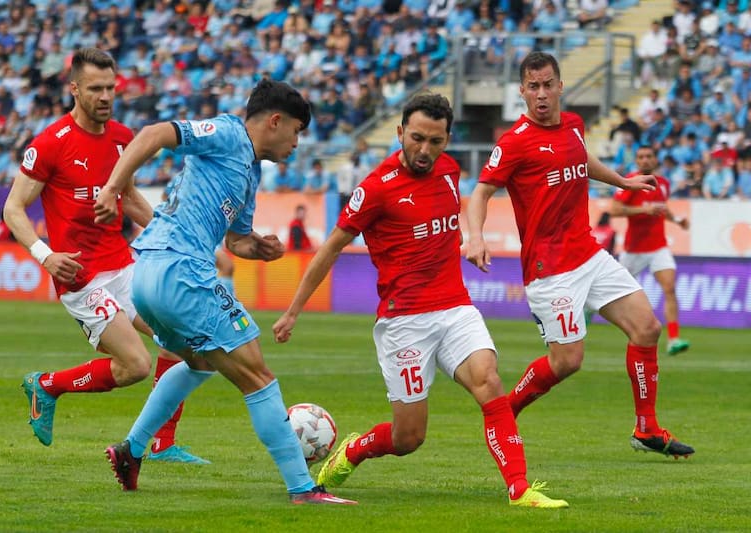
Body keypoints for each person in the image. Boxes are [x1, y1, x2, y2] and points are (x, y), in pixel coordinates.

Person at [272, 93, 569, 509]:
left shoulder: (449, 171)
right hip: (404, 322)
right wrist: (293, 310)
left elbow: (453, 214)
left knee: (490, 383)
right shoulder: (376, 188)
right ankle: (354, 451)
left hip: (455, 307)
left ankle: (520, 488)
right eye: (416, 139)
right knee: (408, 437)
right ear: (399, 134)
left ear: (448, 140)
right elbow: (331, 248)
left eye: (435, 141)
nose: (425, 150)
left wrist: (473, 238)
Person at [93, 79, 355, 505]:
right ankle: (303, 488)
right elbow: (156, 134)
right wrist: (112, 187)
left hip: (148, 276)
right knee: (258, 377)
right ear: (275, 121)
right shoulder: (229, 133)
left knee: (198, 363)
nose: (296, 142)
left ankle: (131, 450)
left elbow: (236, 242)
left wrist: (260, 249)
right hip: (181, 270)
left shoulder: (249, 173)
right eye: (296, 131)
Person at [466, 52, 694, 459]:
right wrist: (476, 237)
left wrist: (621, 180)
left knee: (647, 328)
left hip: (589, 253)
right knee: (568, 361)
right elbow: (481, 192)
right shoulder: (514, 143)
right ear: (522, 90)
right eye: (532, 87)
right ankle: (505, 410)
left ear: (560, 86)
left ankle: (647, 428)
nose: (540, 94)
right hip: (549, 270)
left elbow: (582, 160)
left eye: (547, 84)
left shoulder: (573, 125)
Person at [3, 48, 207, 464]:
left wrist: (170, 237)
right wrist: (45, 255)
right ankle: (47, 384)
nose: (105, 96)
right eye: (95, 88)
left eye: (111, 88)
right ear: (74, 89)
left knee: (185, 340)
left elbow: (129, 197)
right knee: (135, 365)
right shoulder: (50, 145)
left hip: (124, 266)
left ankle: (163, 444)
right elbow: (13, 209)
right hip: (81, 277)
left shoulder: (121, 138)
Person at [610, 146, 691, 356]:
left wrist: (678, 221)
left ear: (655, 160)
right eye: (641, 157)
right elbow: (615, 209)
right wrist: (643, 209)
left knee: (670, 288)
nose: (645, 160)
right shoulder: (629, 182)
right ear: (636, 161)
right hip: (633, 250)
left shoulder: (663, 183)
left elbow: (662, 208)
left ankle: (673, 339)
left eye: (649, 157)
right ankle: (587, 311)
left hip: (658, 247)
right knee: (611, 290)